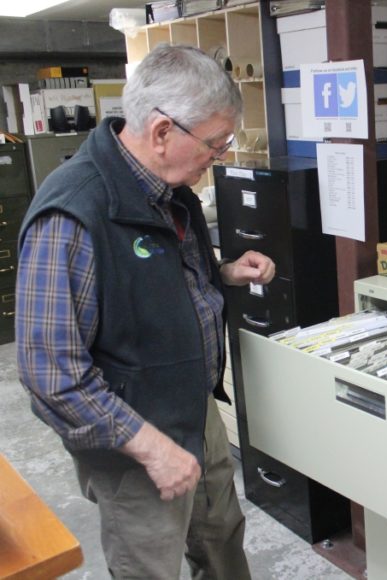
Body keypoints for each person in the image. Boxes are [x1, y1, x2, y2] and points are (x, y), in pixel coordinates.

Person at [15, 43, 274, 579]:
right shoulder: (73, 216)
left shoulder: (166, 188)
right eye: (215, 144)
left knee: (221, 539)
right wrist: (154, 450)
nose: (218, 158)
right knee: (150, 565)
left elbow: (149, 279)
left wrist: (222, 272)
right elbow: (51, 376)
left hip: (192, 409)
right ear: (162, 133)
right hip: (133, 444)